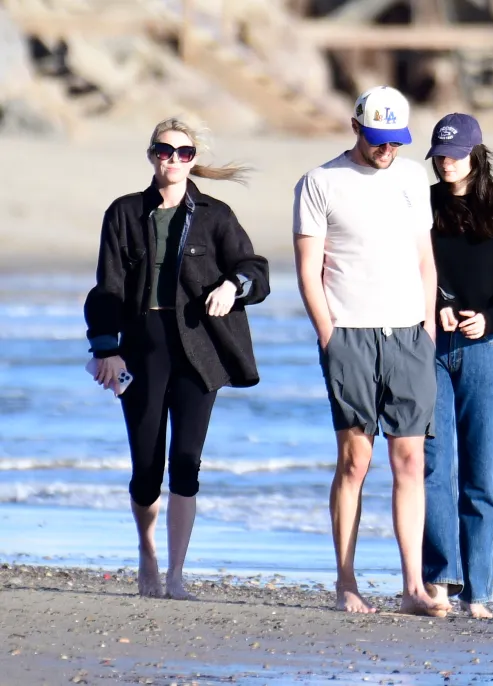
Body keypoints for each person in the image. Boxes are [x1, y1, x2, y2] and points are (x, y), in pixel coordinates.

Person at [84, 117, 270, 600]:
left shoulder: (215, 214)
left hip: (200, 348)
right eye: (164, 151)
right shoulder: (124, 212)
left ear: (192, 159)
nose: (172, 160)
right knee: (147, 467)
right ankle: (147, 555)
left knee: (186, 461)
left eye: (183, 152)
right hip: (142, 347)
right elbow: (107, 286)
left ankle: (176, 575)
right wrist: (106, 348)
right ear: (151, 155)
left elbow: (255, 270)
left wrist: (234, 286)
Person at [292, 86, 446, 617]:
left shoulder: (410, 177)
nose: (387, 151)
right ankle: (346, 582)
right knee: (356, 461)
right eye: (378, 140)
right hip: (350, 334)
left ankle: (412, 588)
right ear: (356, 127)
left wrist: (426, 326)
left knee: (409, 457)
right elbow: (308, 270)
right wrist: (328, 334)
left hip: (407, 335)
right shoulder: (319, 182)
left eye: (395, 141)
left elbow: (425, 259)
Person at [420, 113, 493, 619]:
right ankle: (440, 581)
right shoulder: (421, 205)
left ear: (475, 154)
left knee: (480, 474)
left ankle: (479, 592)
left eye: (454, 155)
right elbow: (409, 268)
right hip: (427, 349)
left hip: (487, 352)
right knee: (432, 468)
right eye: (439, 156)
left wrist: (488, 320)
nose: (446, 164)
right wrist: (432, 305)